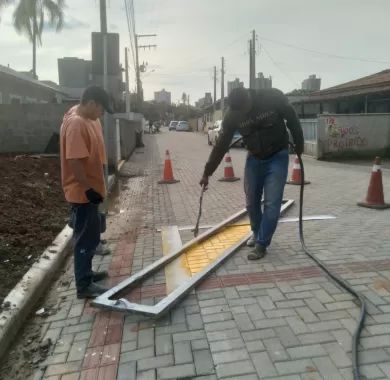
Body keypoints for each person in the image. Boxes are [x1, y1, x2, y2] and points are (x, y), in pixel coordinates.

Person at [199, 87, 304, 260]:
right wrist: (207, 172)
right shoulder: (233, 114)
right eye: (240, 110)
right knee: (251, 201)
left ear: (249, 96)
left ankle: (262, 244)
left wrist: (299, 146)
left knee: (272, 202)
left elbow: (292, 119)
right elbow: (221, 145)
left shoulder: (271, 97)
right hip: (254, 158)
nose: (244, 112)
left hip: (277, 155)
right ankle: (256, 233)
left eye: (245, 107)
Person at [60, 85, 113, 298]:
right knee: (84, 238)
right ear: (91, 103)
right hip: (82, 194)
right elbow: (74, 161)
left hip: (92, 189)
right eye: (101, 109)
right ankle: (84, 285)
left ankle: (88, 273)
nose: (101, 114)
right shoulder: (76, 124)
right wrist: (88, 189)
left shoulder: (87, 118)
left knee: (92, 236)